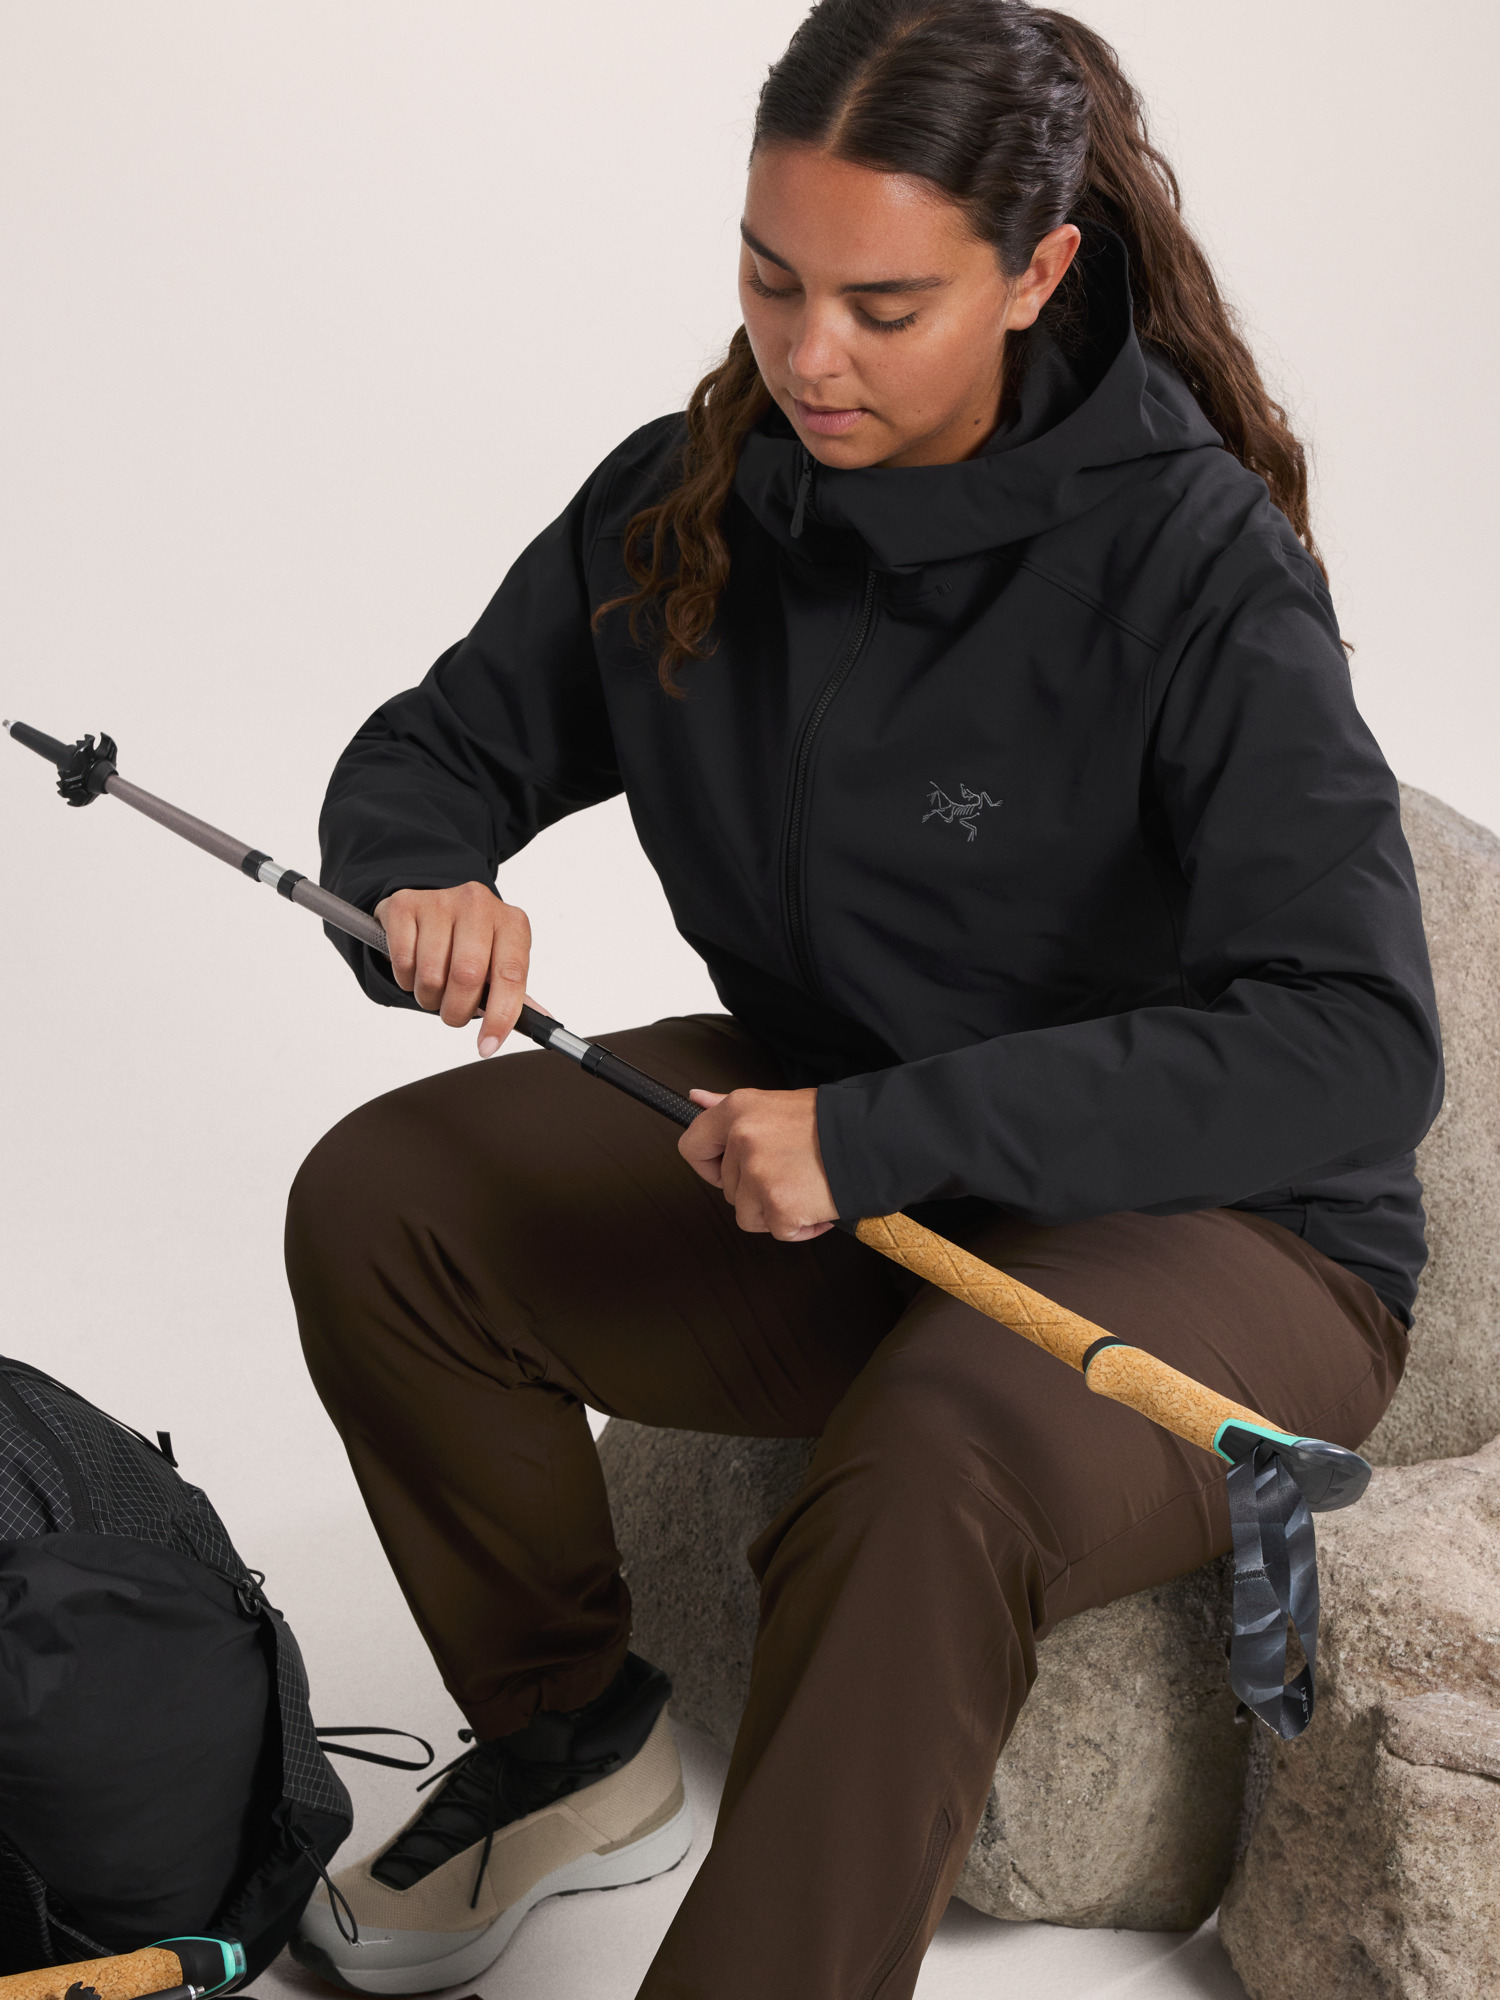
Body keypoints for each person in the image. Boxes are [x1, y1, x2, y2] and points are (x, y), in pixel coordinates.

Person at [284, 3, 1442, 1994]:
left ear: (1037, 273)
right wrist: (421, 874)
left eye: (885, 307)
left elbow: (1357, 1040)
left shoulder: (1196, 569)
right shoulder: (694, 499)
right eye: (772, 279)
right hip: (853, 1148)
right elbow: (441, 747)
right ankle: (570, 1745)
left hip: (1232, 1235)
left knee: (924, 1478)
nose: (807, 355)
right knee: (390, 1210)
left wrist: (888, 1135)